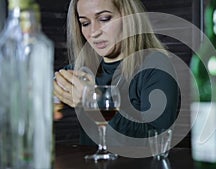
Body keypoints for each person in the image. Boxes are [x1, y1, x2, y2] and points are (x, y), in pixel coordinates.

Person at [53, 0, 180, 145]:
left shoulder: (156, 66)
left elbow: (157, 141)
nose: (94, 32)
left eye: (104, 19)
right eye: (85, 23)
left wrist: (93, 100)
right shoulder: (82, 71)